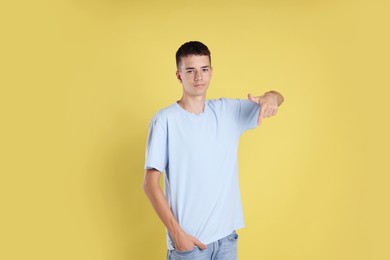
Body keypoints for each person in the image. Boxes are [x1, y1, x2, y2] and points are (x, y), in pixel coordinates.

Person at [143, 41, 284, 260]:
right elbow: (150, 184)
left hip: (226, 241)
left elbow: (277, 97)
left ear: (211, 72)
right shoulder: (165, 120)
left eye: (204, 69)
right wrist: (177, 234)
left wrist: (271, 98)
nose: (198, 77)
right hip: (190, 245)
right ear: (179, 75)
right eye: (190, 71)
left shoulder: (227, 111)